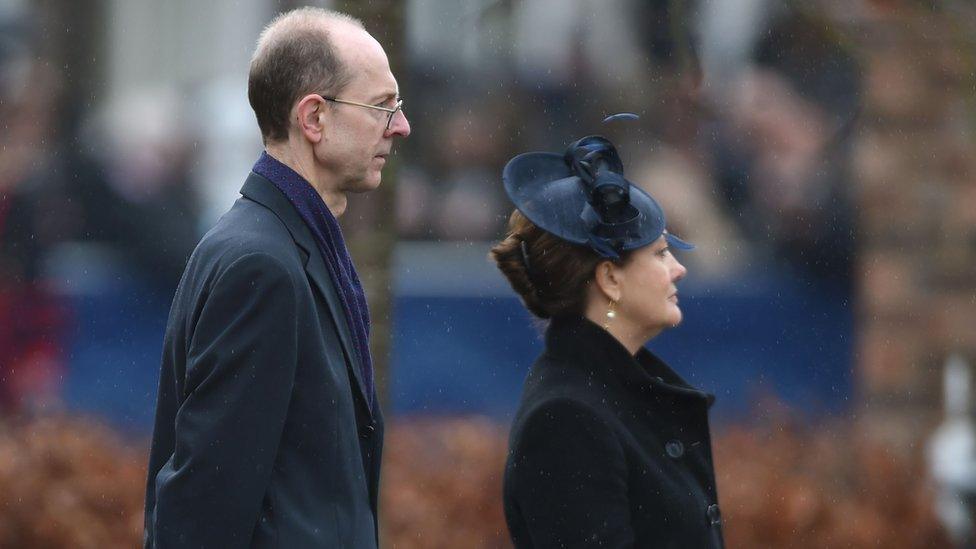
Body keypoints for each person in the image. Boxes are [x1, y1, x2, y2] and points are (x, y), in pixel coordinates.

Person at [143, 8, 410, 548]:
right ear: (313, 119)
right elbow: (203, 506)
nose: (401, 126)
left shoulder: (280, 247)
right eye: (382, 106)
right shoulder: (260, 266)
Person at [491, 129, 724, 547]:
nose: (678, 269)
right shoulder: (567, 418)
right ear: (610, 278)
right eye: (659, 254)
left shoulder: (604, 396)